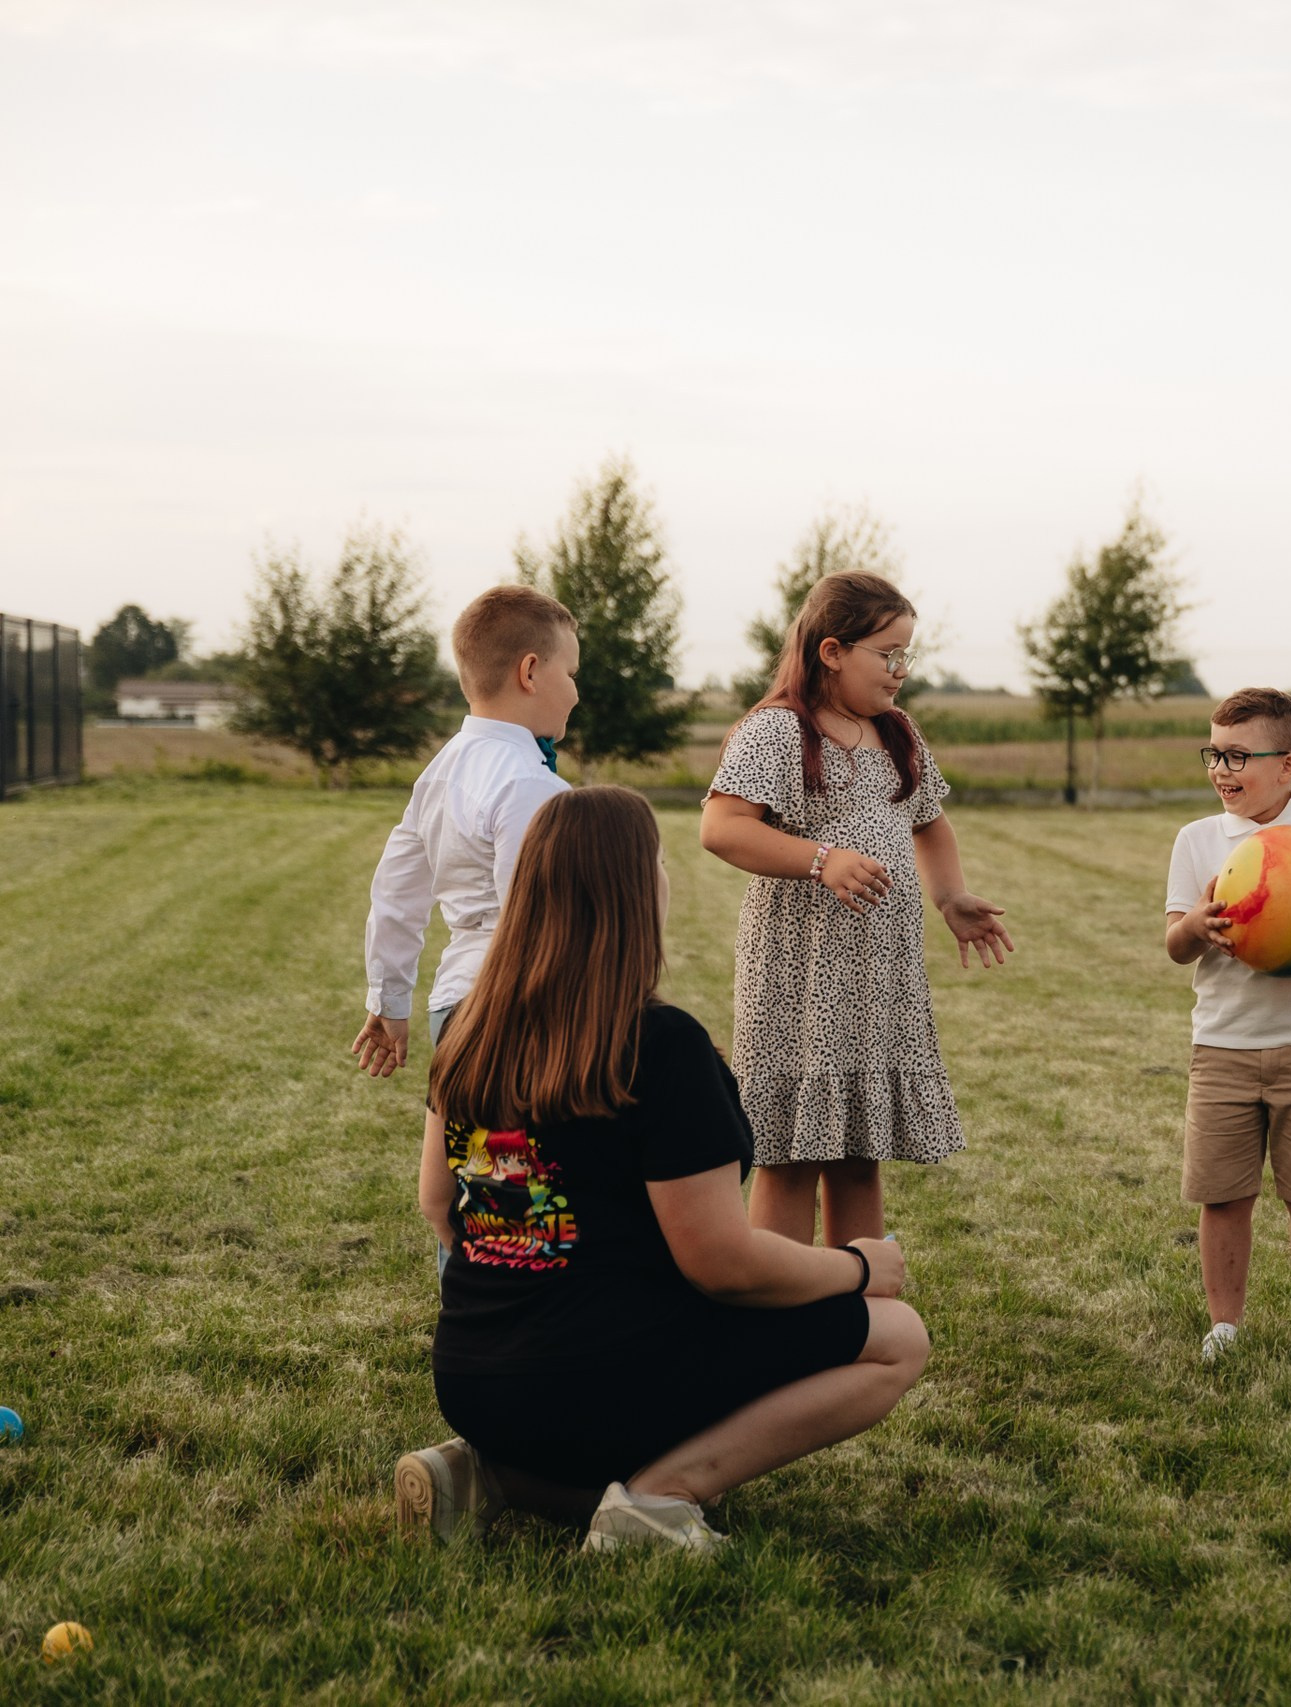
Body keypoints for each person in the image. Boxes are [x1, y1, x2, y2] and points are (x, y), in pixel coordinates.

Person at [397, 786, 928, 1553]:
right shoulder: (661, 1046)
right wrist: (857, 1266)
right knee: (898, 1335)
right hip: (599, 1375)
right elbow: (722, 1265)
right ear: (636, 888)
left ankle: (487, 1472)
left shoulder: (468, 1033)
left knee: (584, 1393)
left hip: (472, 1380)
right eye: (657, 860)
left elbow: (437, 1203)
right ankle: (658, 1496)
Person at [700, 572, 1013, 1247]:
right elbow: (722, 828)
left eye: (907, 654)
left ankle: (862, 1297)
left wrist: (950, 896)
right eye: (888, 653)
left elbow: (929, 822)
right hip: (800, 977)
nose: (902, 670)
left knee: (857, 1152)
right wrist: (823, 859)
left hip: (876, 979)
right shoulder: (776, 730)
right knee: (789, 1156)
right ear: (833, 651)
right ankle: (783, 1296)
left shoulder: (896, 732)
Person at [1165, 688, 1291, 1366]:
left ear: (1288, 765)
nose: (1220, 769)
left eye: (1237, 757)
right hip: (1222, 1044)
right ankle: (1224, 1324)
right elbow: (1175, 944)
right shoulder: (1198, 840)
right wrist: (1197, 926)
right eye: (1213, 754)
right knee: (1223, 1195)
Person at [352, 583, 577, 1074]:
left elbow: (395, 895)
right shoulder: (529, 783)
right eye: (571, 673)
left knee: (464, 1130)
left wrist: (390, 1001)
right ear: (530, 672)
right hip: (516, 1014)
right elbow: (535, 921)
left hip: (454, 1003)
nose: (576, 693)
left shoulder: (439, 771)